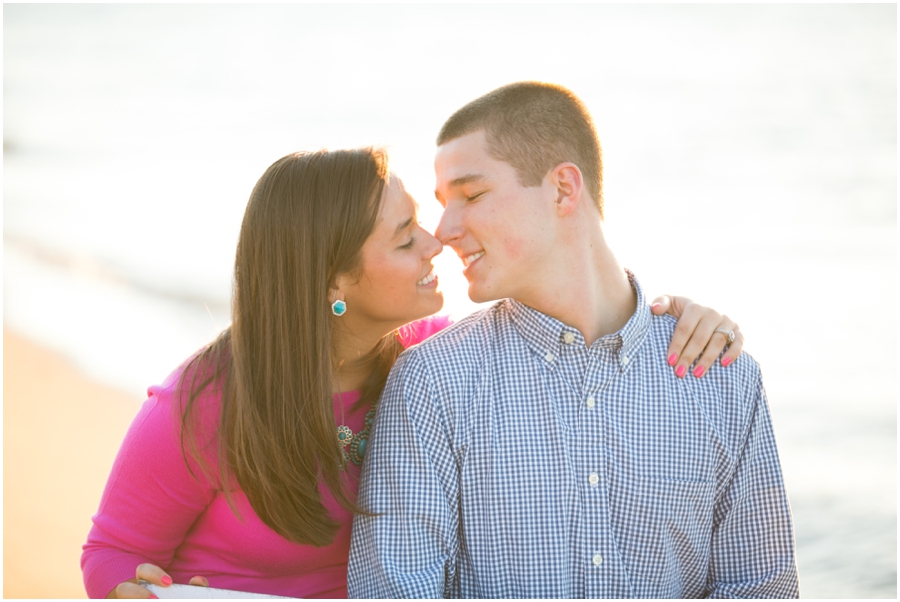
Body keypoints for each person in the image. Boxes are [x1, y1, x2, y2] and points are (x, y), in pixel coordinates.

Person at [82, 148, 743, 599]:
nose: (438, 244)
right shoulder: (203, 405)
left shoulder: (434, 363)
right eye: (405, 238)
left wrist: (675, 318)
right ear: (332, 280)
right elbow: (109, 549)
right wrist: (131, 591)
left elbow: (575, 340)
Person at [348, 82, 798, 598]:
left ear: (563, 188)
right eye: (444, 204)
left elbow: (760, 586)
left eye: (470, 195)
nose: (443, 230)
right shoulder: (431, 382)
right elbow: (398, 590)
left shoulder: (724, 377)